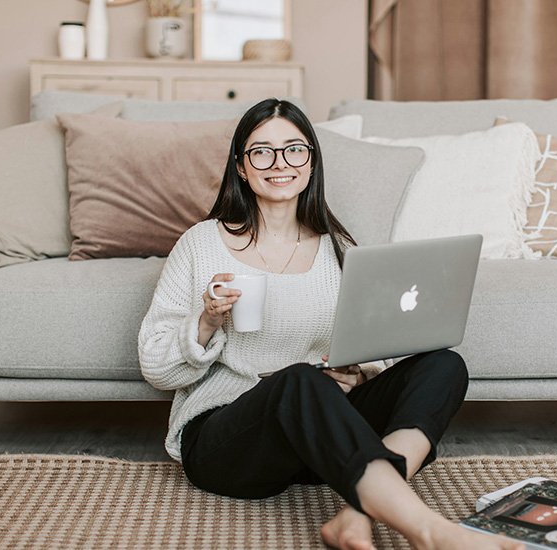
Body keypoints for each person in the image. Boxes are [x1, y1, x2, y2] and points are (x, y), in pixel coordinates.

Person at [138, 98, 523, 550]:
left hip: (313, 441)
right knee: (298, 380)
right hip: (227, 441)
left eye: (294, 149)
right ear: (242, 167)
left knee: (442, 365)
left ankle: (357, 510)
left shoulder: (338, 247)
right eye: (261, 151)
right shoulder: (203, 243)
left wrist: (359, 373)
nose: (279, 163)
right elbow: (156, 368)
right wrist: (205, 321)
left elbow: (372, 347)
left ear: (311, 160)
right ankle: (428, 529)